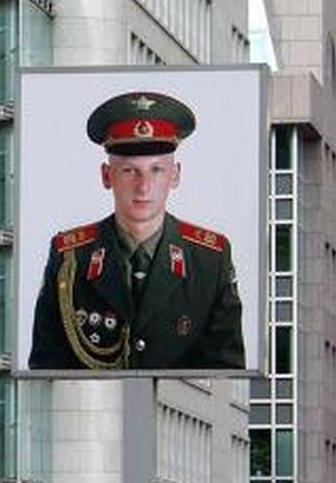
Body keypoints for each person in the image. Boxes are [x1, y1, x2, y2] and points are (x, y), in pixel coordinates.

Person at [28, 91, 245, 370]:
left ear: (175, 175)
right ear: (107, 177)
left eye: (156, 170)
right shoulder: (71, 256)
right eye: (130, 171)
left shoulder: (209, 258)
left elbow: (227, 368)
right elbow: (47, 365)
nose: (143, 187)